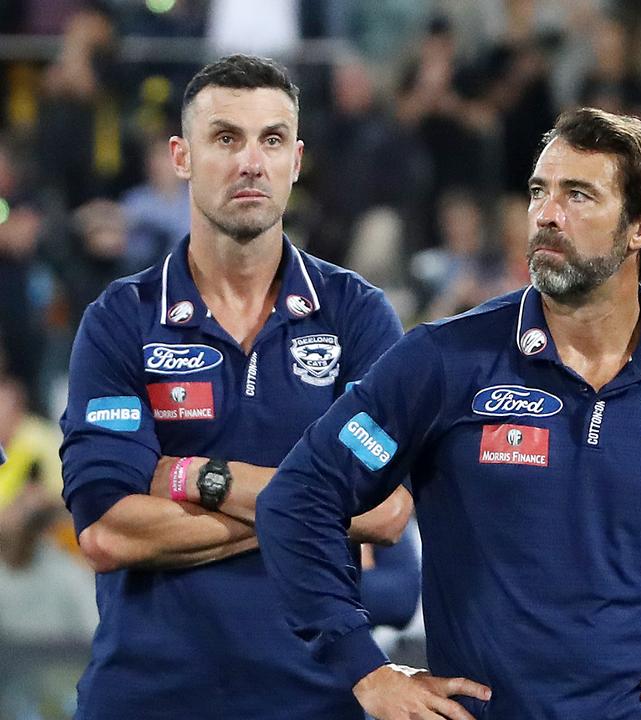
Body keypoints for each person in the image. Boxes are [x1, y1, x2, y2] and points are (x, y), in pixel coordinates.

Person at [255, 107, 641, 720]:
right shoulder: (442, 361)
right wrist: (364, 668)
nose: (548, 214)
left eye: (579, 196)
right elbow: (299, 498)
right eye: (539, 192)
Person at [58, 54, 412, 719]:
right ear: (181, 156)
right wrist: (312, 509)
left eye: (272, 139)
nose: (252, 161)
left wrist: (194, 476)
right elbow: (107, 533)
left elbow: (388, 511)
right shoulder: (121, 318)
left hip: (316, 700)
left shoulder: (358, 314)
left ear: (297, 159)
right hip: (146, 698)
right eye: (226, 138)